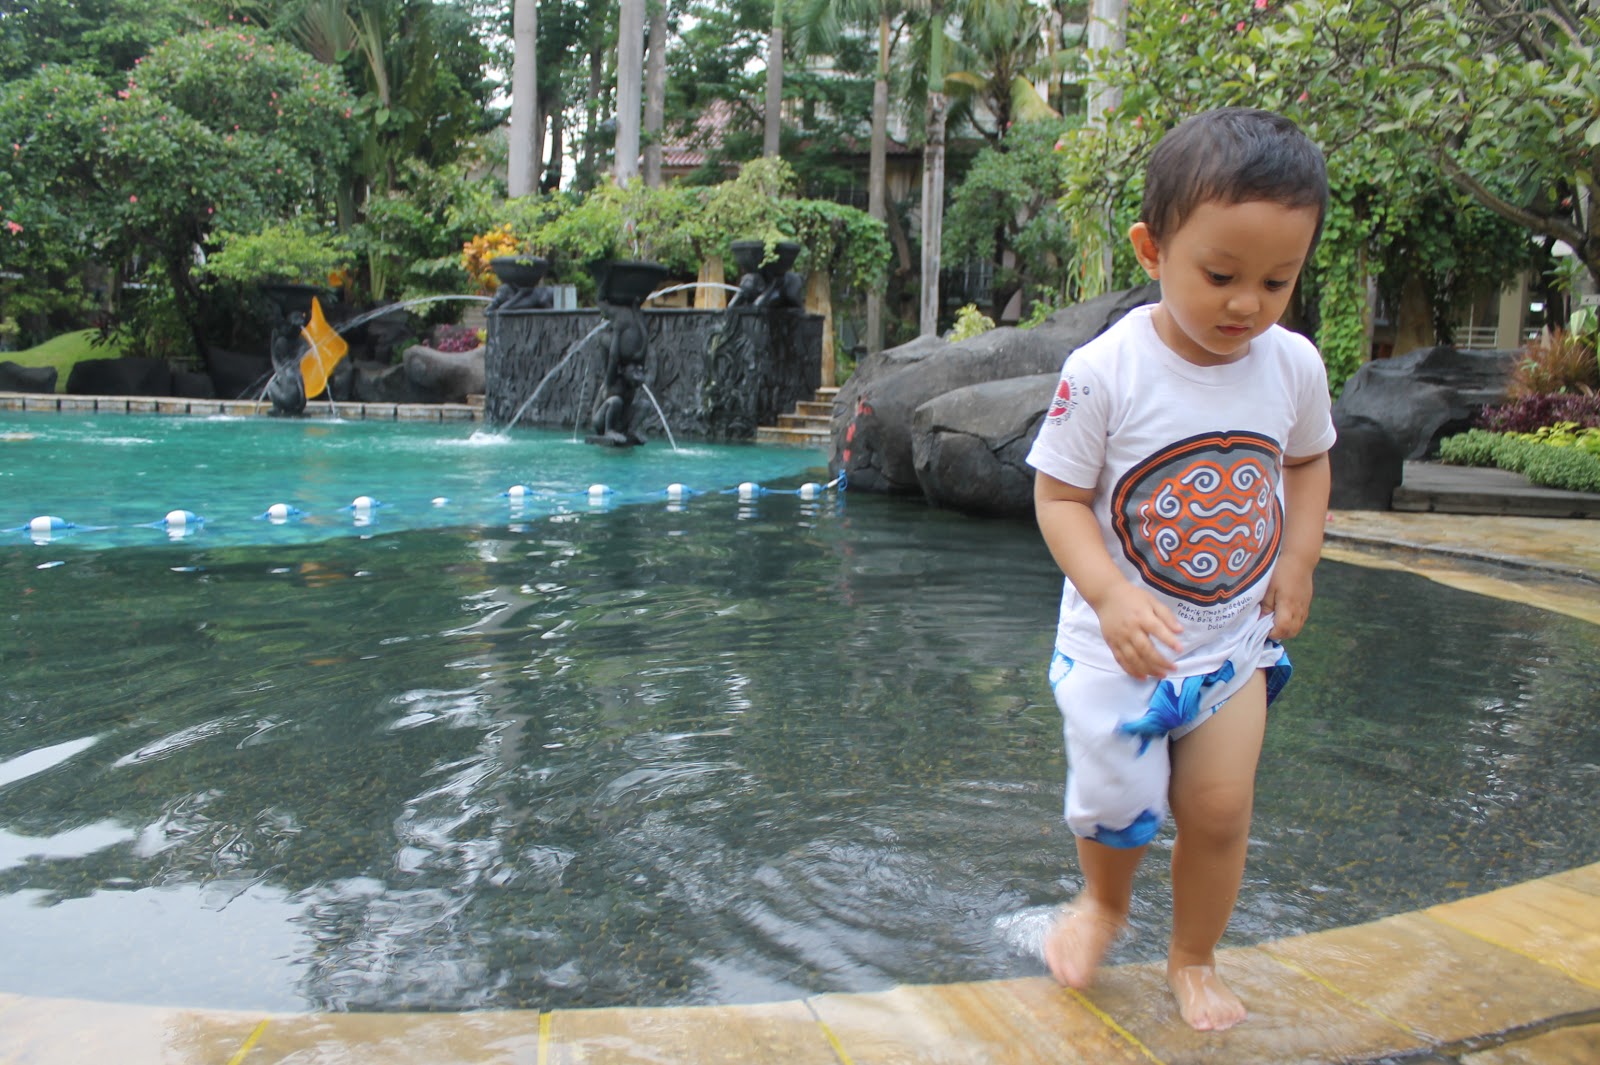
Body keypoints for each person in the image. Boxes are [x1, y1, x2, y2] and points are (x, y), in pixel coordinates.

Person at [1025, 107, 1335, 1032]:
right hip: (1118, 643)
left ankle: (1193, 956)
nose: (1249, 305)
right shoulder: (1104, 372)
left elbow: (1309, 462)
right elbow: (1058, 497)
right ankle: (1103, 902)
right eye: (1221, 276)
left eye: (1277, 280)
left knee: (1220, 807)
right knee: (1118, 804)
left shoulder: (1292, 366)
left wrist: (1298, 556)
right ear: (1151, 249)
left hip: (1231, 642)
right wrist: (1111, 594)